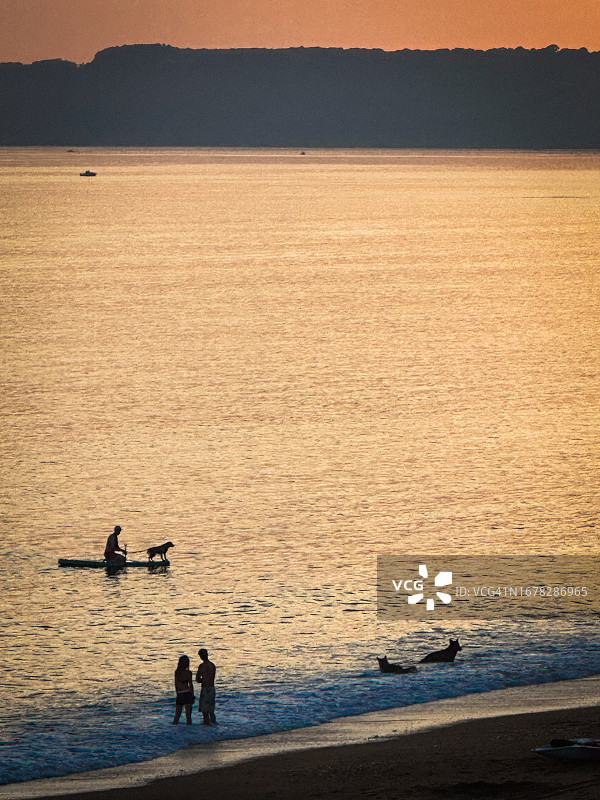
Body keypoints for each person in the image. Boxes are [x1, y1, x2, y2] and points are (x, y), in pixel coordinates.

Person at [196, 648, 216, 725]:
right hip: (212, 688)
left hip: (205, 689)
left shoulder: (202, 666)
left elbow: (197, 679)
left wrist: (202, 680)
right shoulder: (212, 665)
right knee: (211, 710)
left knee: (205, 711)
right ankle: (213, 725)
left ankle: (206, 725)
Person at [173, 655, 194, 725]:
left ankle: (174, 731)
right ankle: (190, 732)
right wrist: (192, 695)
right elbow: (191, 685)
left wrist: (177, 693)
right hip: (187, 693)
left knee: (177, 715)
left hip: (180, 693)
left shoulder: (177, 672)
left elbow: (176, 684)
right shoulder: (189, 673)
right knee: (188, 716)